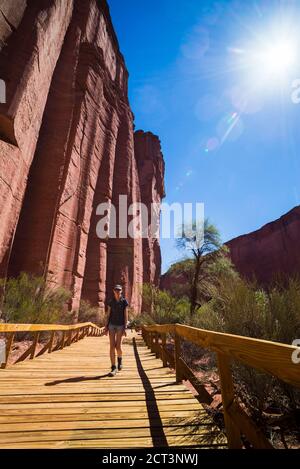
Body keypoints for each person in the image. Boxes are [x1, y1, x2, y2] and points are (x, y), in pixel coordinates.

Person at [104, 284, 129, 377]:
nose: (117, 292)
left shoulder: (124, 302)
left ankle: (120, 359)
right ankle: (113, 367)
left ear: (121, 291)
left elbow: (126, 315)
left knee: (118, 347)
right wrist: (106, 326)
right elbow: (108, 314)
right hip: (111, 325)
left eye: (119, 290)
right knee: (111, 346)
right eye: (116, 290)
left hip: (120, 326)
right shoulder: (111, 302)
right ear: (113, 291)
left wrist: (125, 327)